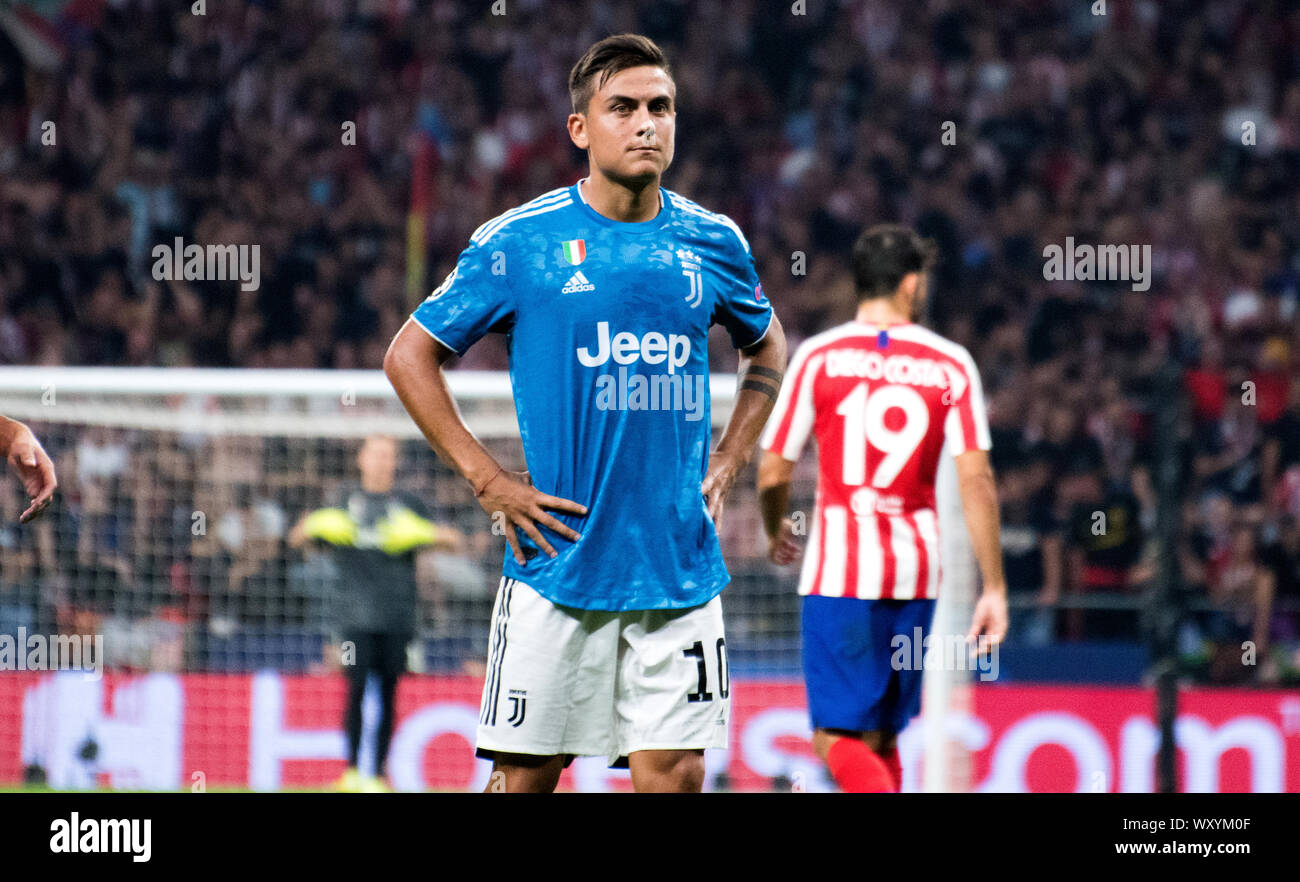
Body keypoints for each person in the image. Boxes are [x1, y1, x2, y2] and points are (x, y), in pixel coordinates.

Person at [384, 33, 787, 793]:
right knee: (527, 779)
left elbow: (768, 348)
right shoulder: (520, 242)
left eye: (660, 108)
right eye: (624, 108)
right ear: (581, 129)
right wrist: (487, 479)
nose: (646, 124)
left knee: (674, 775)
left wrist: (734, 456)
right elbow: (410, 355)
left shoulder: (714, 241)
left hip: (678, 566)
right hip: (556, 564)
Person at [756, 225, 1007, 793]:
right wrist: (993, 587)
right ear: (912, 284)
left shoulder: (820, 356)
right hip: (917, 573)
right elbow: (977, 479)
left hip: (840, 574)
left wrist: (776, 530)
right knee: (882, 736)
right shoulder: (951, 364)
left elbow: (773, 469)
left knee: (835, 739)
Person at [289, 434, 462, 792]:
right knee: (354, 691)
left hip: (398, 615)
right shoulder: (342, 499)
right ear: (362, 459)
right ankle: (351, 772)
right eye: (376, 454)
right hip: (352, 616)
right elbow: (296, 538)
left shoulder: (408, 502)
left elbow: (453, 539)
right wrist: (316, 524)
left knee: (388, 693)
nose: (382, 461)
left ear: (395, 462)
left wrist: (422, 533)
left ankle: (379, 774)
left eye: (389, 455)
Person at [1, 416, 57, 523]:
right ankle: (9, 532)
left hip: (34, 491)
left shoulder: (47, 442)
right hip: (15, 487)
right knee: (8, 496)